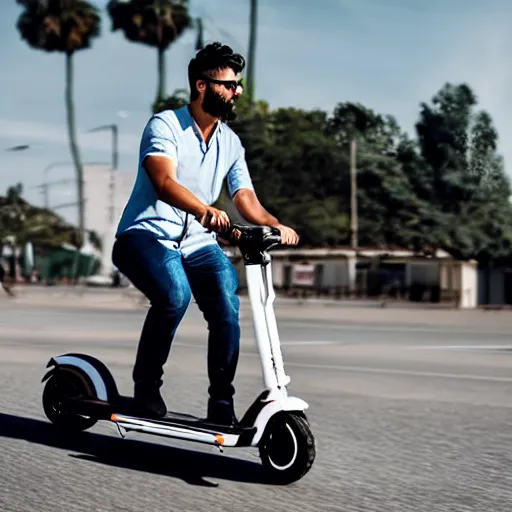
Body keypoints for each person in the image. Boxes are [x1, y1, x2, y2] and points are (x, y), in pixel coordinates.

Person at [112, 42, 299, 425]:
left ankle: (221, 403)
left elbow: (244, 197)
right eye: (230, 84)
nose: (238, 92)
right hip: (146, 235)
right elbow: (164, 182)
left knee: (226, 305)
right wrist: (202, 209)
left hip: (196, 243)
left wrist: (275, 225)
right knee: (174, 295)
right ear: (202, 85)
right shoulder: (165, 125)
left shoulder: (230, 142)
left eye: (238, 85)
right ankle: (146, 386)